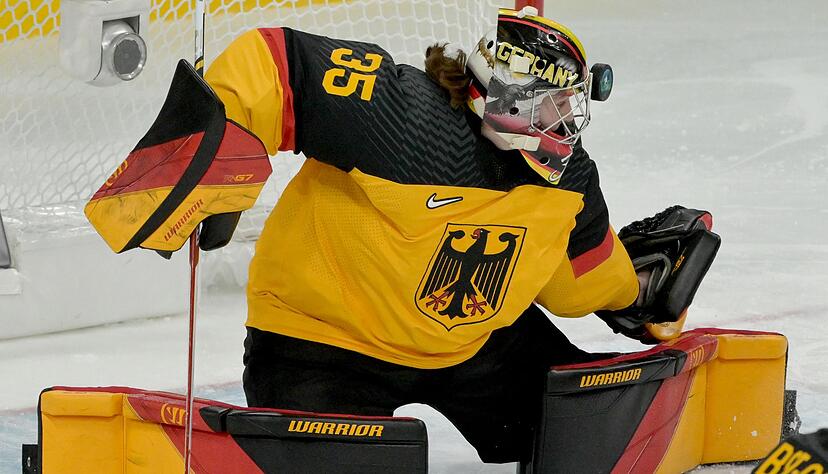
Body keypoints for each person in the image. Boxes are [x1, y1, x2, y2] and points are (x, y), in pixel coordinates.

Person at [201, 7, 716, 463]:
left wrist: (639, 291)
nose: (562, 125)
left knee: (591, 428)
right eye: (548, 105)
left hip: (474, 343)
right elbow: (274, 63)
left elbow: (579, 279)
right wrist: (217, 154)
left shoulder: (571, 175)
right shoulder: (402, 115)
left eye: (569, 107)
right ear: (503, 92)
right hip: (321, 344)